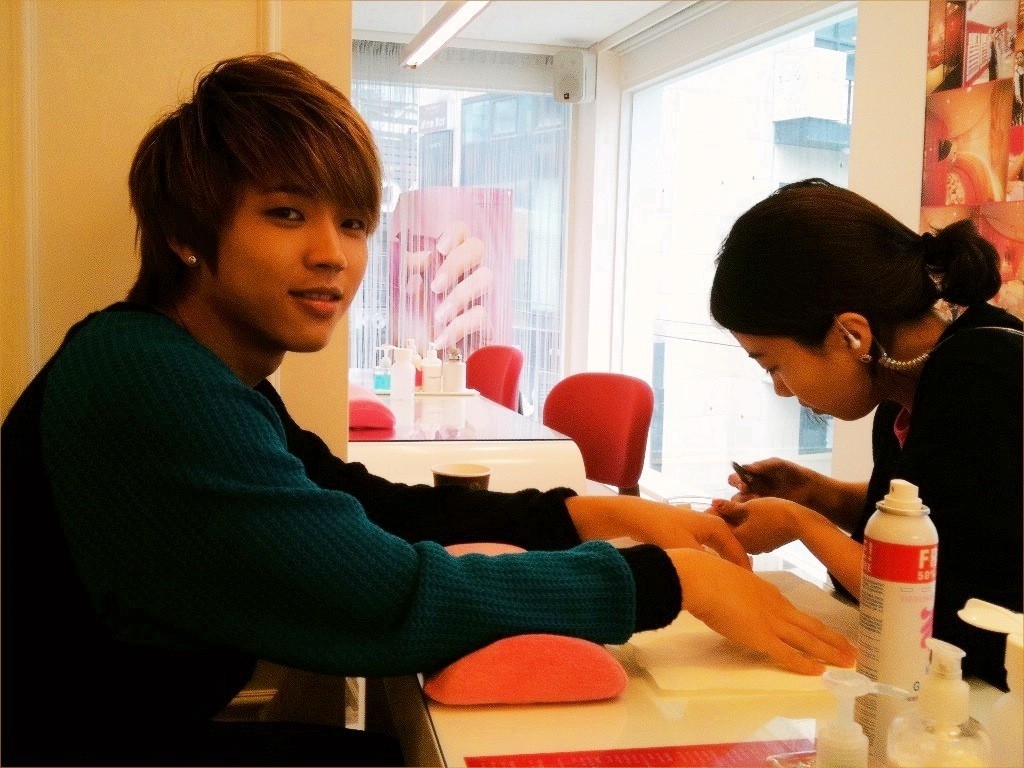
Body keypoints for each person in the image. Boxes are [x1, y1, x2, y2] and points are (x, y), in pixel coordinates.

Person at [0, 57, 855, 767]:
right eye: (286, 214)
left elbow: (368, 504)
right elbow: (378, 594)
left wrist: (602, 514)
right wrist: (667, 581)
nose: (332, 255)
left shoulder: (207, 374)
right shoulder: (145, 378)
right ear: (186, 233)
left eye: (353, 222)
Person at [707, 179, 1022, 689]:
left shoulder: (982, 377)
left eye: (774, 365)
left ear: (851, 334)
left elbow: (946, 607)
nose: (781, 390)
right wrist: (817, 493)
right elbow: (942, 522)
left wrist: (800, 523)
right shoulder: (903, 391)